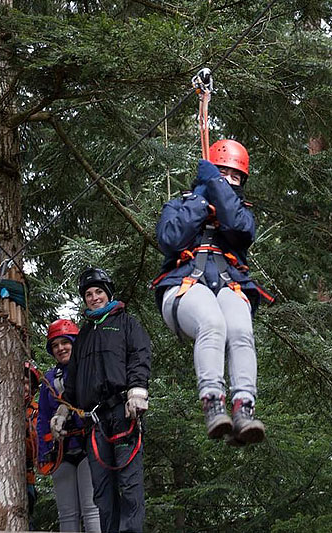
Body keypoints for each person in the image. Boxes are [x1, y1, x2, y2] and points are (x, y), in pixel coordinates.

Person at [153, 139, 273, 446]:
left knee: (241, 330)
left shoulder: (241, 214)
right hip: (184, 287)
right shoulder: (180, 205)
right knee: (213, 323)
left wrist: (215, 185)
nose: (229, 182)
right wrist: (199, 200)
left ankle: (244, 407)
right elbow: (171, 240)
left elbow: (239, 228)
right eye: (223, 174)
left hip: (228, 284)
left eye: (235, 178)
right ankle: (213, 402)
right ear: (209, 173)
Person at [51, 268, 151, 533]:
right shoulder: (83, 336)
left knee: (129, 486)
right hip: (94, 424)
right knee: (102, 492)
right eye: (88, 294)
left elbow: (140, 356)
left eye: (98, 292)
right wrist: (62, 411)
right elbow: (72, 382)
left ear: (107, 294)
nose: (93, 297)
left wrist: (138, 390)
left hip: (123, 412)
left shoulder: (127, 323)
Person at [37, 319, 100, 532]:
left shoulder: (88, 371)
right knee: (67, 514)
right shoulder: (49, 379)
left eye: (65, 343)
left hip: (87, 447)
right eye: (55, 345)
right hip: (61, 451)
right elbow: (43, 417)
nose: (60, 348)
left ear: (74, 343)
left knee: (91, 510)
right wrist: (44, 453)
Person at [24, 361, 41, 530]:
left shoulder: (36, 412)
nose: (24, 387)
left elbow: (36, 447)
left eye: (27, 384)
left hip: (26, 476)